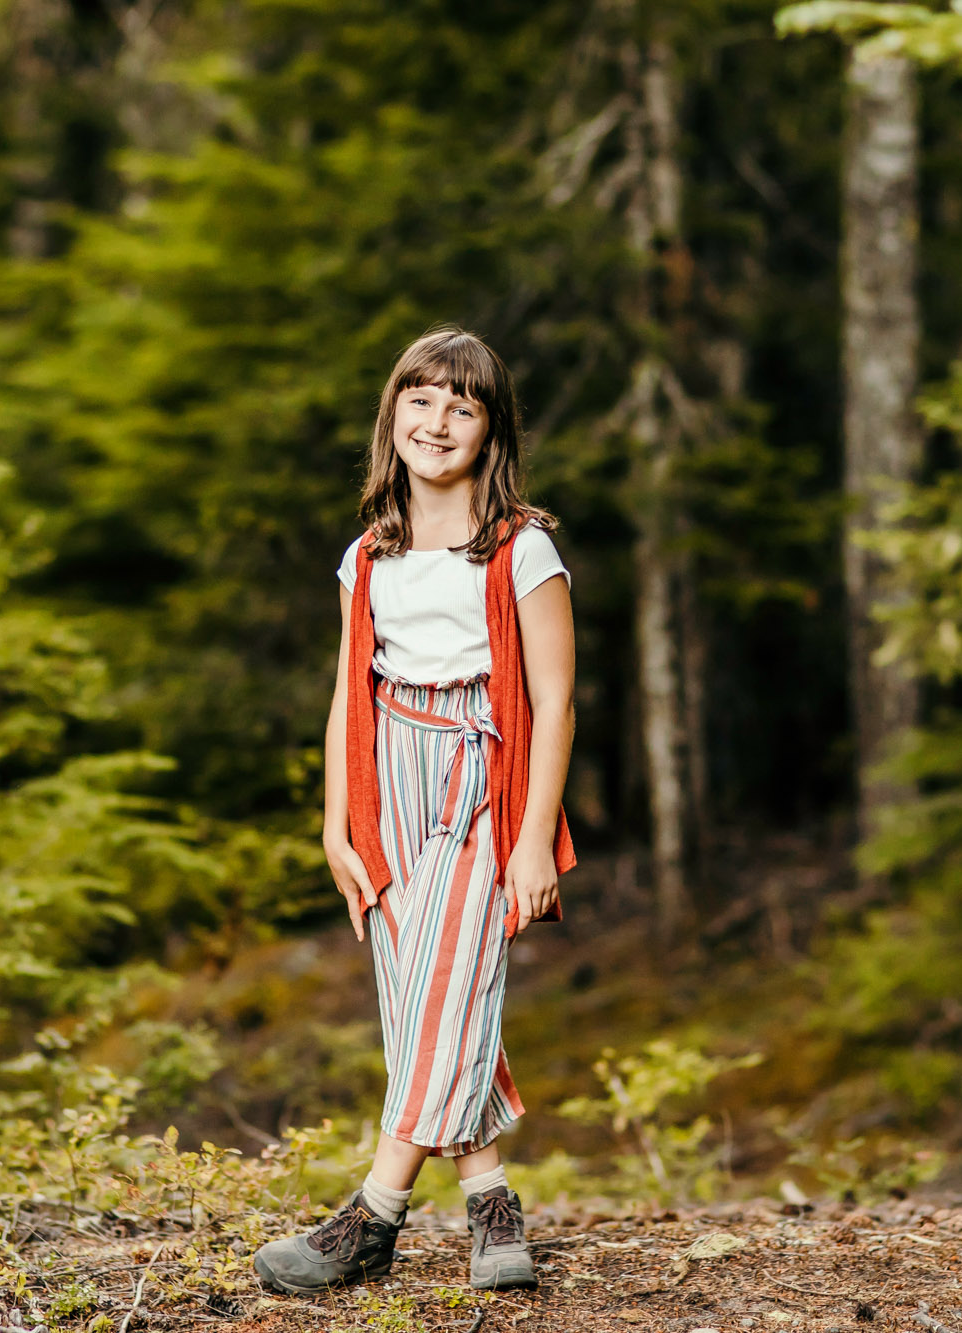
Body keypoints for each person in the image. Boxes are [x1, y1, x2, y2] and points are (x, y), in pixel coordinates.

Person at [253, 327, 578, 1296]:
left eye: (462, 406)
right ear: (392, 413)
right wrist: (333, 822)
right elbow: (347, 689)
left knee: (448, 981)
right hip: (385, 771)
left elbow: (555, 699)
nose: (436, 421)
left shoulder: (520, 550)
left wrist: (531, 842)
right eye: (420, 399)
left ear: (490, 430)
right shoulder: (368, 553)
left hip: (481, 775)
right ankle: (490, 1204)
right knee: (424, 996)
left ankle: (370, 1217)